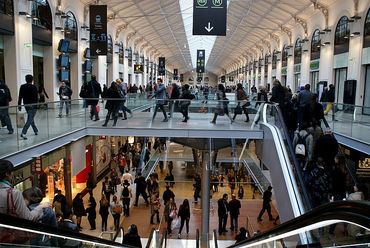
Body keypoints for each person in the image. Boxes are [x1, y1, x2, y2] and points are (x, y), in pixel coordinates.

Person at [18, 74, 39, 140]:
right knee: (30, 119)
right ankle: (23, 132)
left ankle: (35, 130)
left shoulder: (22, 86)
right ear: (32, 80)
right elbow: (36, 97)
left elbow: (20, 96)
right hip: (33, 105)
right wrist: (37, 105)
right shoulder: (34, 87)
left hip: (26, 105)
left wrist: (19, 105)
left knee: (31, 117)